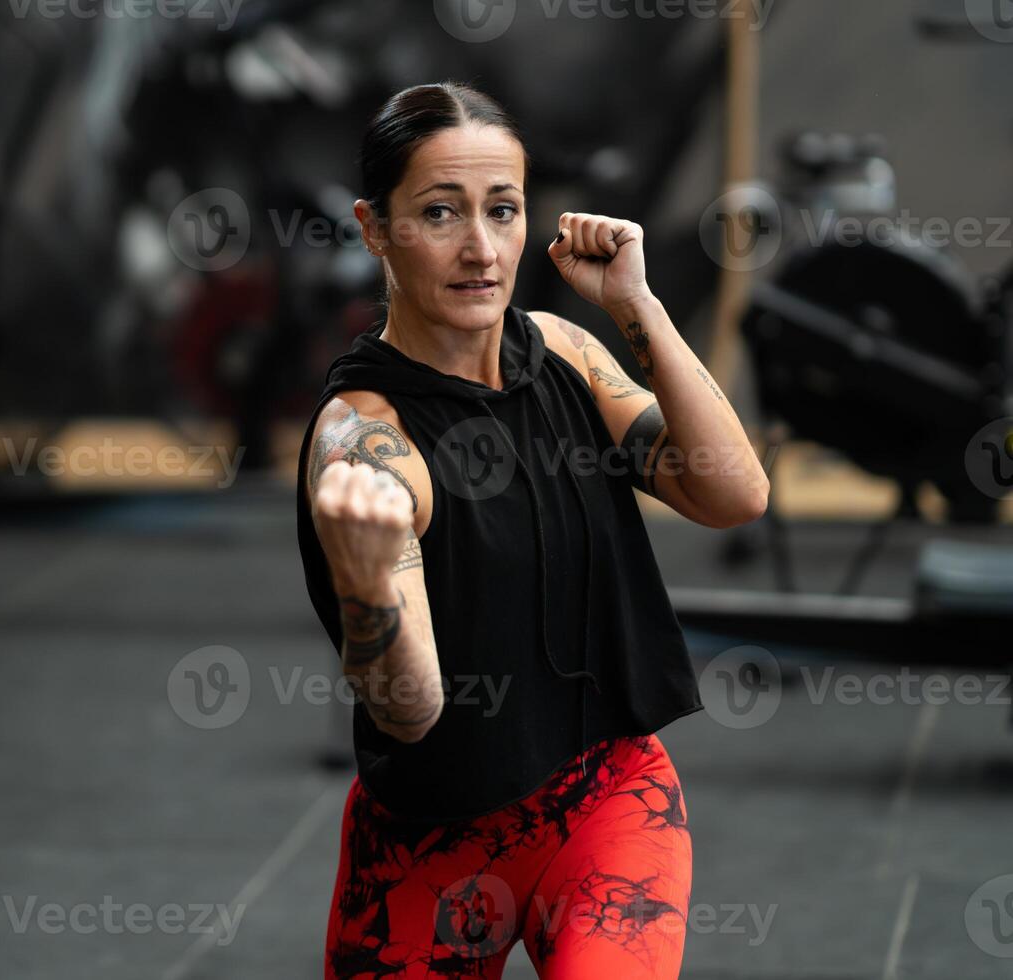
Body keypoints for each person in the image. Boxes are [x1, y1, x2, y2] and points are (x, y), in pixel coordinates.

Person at [294, 81, 770, 979]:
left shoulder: (565, 352)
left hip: (608, 798)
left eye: (501, 210)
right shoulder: (369, 443)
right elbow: (411, 711)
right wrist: (364, 583)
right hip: (430, 848)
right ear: (373, 227)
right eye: (440, 213)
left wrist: (637, 306)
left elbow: (734, 494)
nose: (480, 248)